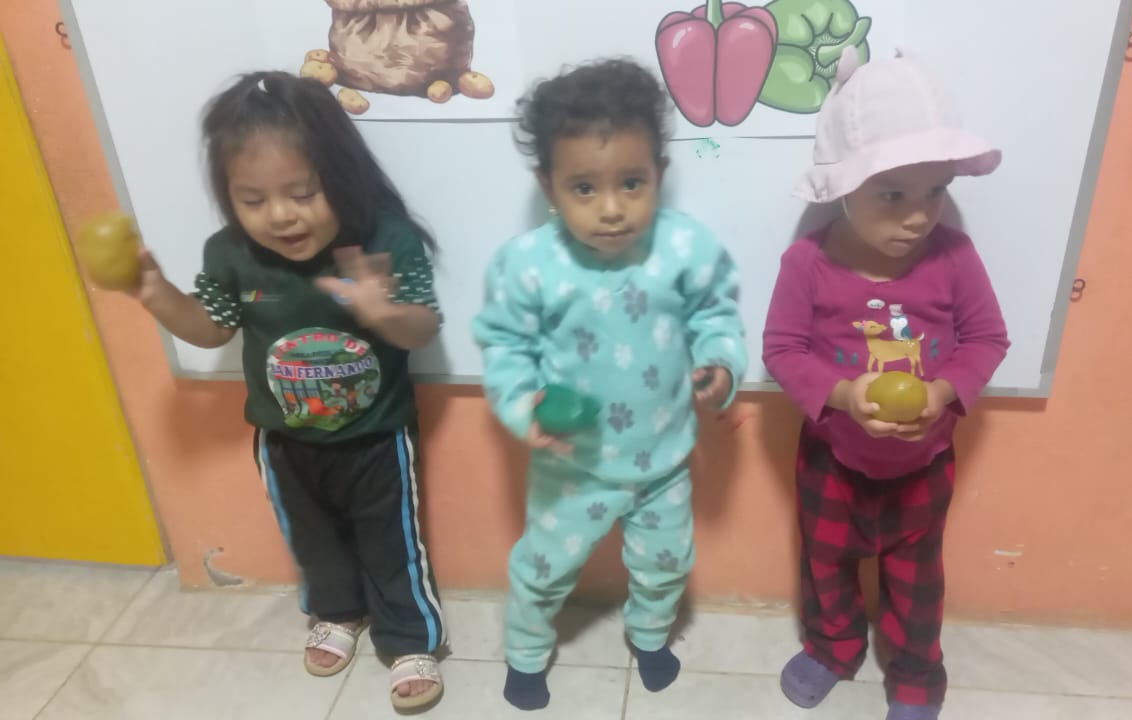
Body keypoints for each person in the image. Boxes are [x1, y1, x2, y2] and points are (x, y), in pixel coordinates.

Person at [117, 71, 447, 713]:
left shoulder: (384, 240)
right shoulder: (230, 254)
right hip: (284, 438)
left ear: (341, 177)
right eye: (253, 199)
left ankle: (410, 640)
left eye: (303, 193)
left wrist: (382, 311)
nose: (281, 215)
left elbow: (423, 328)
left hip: (377, 438)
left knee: (393, 543)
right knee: (311, 538)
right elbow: (211, 329)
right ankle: (337, 612)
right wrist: (156, 294)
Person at [472, 58, 748, 711]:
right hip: (573, 464)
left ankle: (650, 637)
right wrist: (524, 406)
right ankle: (526, 653)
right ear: (547, 184)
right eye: (584, 188)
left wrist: (719, 362)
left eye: (631, 182)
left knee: (666, 562)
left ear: (659, 173)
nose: (613, 209)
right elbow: (505, 346)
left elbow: (716, 314)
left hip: (663, 460)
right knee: (544, 567)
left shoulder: (685, 248)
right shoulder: (527, 265)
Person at [763, 49, 1011, 720]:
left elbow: (988, 339)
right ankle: (831, 648)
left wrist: (942, 393)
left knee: (917, 582)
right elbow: (782, 349)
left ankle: (916, 676)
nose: (918, 217)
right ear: (844, 186)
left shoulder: (954, 257)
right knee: (826, 567)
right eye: (893, 195)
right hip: (832, 460)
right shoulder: (807, 262)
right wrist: (844, 396)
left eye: (935, 192)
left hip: (922, 463)